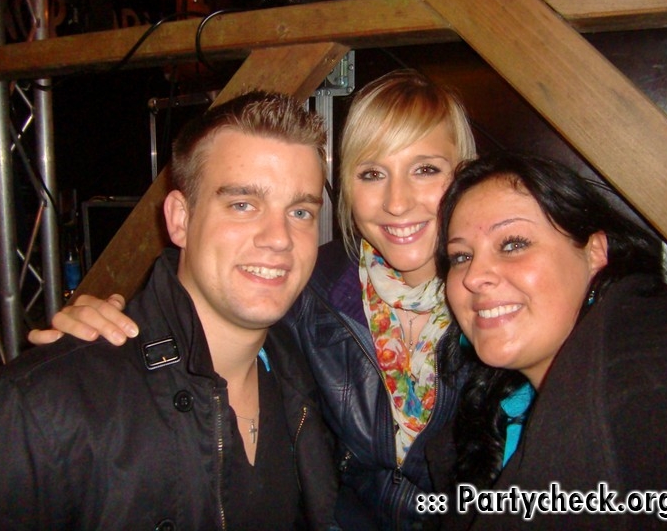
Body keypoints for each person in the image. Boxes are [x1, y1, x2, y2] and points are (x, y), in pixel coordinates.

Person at [31, 70, 531, 529]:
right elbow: (206, 317)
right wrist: (106, 331)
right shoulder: (307, 287)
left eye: (425, 169)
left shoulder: (507, 296)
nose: (397, 202)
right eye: (372, 174)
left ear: (464, 174)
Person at [0, 91, 339, 530]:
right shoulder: (39, 409)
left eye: (300, 212)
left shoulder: (308, 371)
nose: (278, 238)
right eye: (242, 205)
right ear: (180, 219)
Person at [428, 151, 667, 529]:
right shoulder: (508, 398)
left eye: (513, 244)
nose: (474, 277)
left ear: (595, 252)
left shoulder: (654, 398)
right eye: (460, 256)